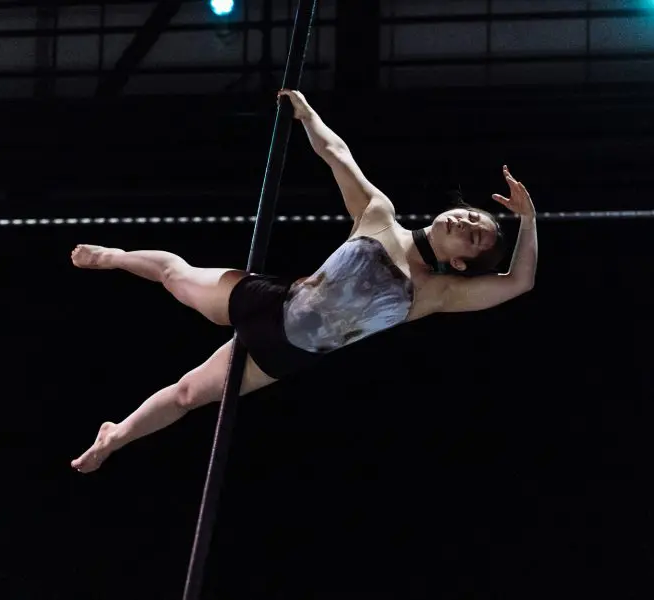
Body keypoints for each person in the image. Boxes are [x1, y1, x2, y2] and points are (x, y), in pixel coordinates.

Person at [70, 89, 537, 473]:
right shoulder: (379, 215)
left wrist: (529, 220)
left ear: (461, 263)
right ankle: (116, 256)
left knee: (189, 394)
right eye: (470, 215)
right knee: (175, 275)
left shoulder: (439, 293)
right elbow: (338, 155)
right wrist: (307, 114)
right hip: (270, 301)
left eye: (475, 237)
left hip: (286, 352)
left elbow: (519, 282)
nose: (465, 223)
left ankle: (115, 435)